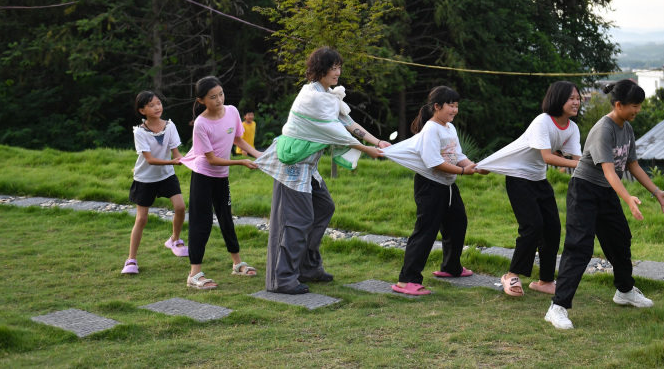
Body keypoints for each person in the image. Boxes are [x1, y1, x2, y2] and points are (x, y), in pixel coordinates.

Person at [255, 47, 390, 295]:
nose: (338, 72)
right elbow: (336, 133)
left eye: (339, 67)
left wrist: (377, 142)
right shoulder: (312, 98)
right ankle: (282, 278)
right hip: (293, 165)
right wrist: (368, 150)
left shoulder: (328, 96)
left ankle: (308, 266)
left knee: (324, 207)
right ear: (320, 69)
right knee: (298, 220)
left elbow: (348, 123)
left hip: (309, 166)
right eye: (333, 67)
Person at [545, 79, 664, 330]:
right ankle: (557, 307)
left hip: (605, 192)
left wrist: (657, 192)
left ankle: (624, 291)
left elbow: (633, 165)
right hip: (584, 190)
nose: (638, 110)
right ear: (619, 104)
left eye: (639, 105)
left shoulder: (626, 128)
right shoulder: (603, 129)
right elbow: (608, 171)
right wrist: (628, 199)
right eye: (635, 105)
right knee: (579, 246)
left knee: (620, 239)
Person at [477, 81, 582, 297]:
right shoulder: (542, 122)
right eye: (571, 98)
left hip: (538, 179)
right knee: (532, 226)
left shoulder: (572, 128)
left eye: (578, 98)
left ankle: (545, 281)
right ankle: (511, 275)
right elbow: (548, 157)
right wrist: (581, 164)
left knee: (552, 227)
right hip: (518, 177)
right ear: (557, 99)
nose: (576, 102)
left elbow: (576, 160)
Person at [387, 86, 485, 296]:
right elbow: (433, 162)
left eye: (457, 105)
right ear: (437, 106)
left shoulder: (449, 128)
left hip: (448, 186)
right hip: (430, 186)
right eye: (451, 105)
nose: (455, 110)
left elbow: (457, 154)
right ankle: (407, 280)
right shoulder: (431, 129)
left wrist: (474, 166)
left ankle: (451, 267)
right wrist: (463, 171)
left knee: (457, 223)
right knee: (426, 231)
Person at [181, 76, 262, 290]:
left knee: (226, 218)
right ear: (201, 101)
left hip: (221, 177)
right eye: (213, 97)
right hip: (203, 176)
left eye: (221, 94)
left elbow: (237, 139)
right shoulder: (201, 124)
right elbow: (211, 159)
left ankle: (237, 263)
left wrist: (256, 154)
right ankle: (194, 274)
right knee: (202, 222)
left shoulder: (233, 111)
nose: (219, 100)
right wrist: (242, 162)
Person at [121, 91, 188, 275]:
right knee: (141, 219)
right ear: (142, 110)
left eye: (158, 103)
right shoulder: (140, 132)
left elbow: (176, 154)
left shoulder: (170, 126)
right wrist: (173, 162)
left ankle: (174, 240)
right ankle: (131, 260)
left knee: (181, 207)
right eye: (151, 105)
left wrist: (187, 160)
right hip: (145, 179)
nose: (157, 107)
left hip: (167, 175)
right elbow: (149, 159)